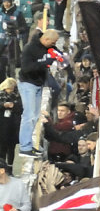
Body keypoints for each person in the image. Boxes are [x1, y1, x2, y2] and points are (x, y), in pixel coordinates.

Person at [17, 28, 59, 156]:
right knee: (28, 115)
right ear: (46, 39)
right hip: (27, 84)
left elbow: (55, 53)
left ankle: (29, 145)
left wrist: (57, 55)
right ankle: (24, 147)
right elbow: (26, 68)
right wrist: (45, 63)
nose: (53, 45)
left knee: (35, 116)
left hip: (38, 84)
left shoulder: (46, 46)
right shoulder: (30, 48)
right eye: (52, 43)